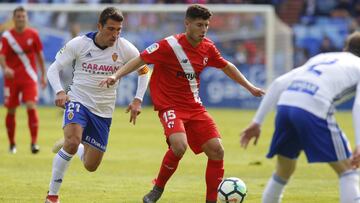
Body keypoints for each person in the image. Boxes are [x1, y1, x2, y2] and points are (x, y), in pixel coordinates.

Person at [100, 4, 265, 203]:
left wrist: (250, 87)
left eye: (206, 25)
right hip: (169, 106)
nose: (203, 30)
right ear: (187, 24)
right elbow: (140, 60)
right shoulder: (168, 45)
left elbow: (227, 66)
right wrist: (116, 75)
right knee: (179, 146)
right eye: (199, 25)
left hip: (195, 107)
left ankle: (211, 200)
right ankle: (157, 189)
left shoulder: (208, 47)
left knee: (217, 150)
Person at [240, 32, 360, 203]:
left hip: (286, 105)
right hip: (312, 108)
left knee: (284, 170)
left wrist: (257, 121)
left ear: (345, 48)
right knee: (349, 169)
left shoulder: (324, 57)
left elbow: (279, 83)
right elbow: (359, 105)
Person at [45, 7, 149, 203]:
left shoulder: (125, 48)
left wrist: (138, 99)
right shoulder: (79, 44)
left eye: (119, 30)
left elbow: (144, 70)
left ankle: (76, 146)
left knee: (91, 166)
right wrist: (59, 91)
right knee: (73, 142)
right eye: (111, 29)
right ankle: (52, 196)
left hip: (103, 111)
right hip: (78, 101)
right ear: (99, 26)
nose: (115, 35)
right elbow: (54, 68)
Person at [0, 6, 47, 154]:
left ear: (26, 18)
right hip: (12, 78)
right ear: (14, 19)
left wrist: (43, 75)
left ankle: (34, 143)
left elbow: (40, 56)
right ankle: (12, 144)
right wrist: (5, 68)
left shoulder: (33, 34)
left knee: (31, 106)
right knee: (11, 110)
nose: (21, 19)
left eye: (23, 16)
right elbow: (2, 55)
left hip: (29, 77)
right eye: (18, 16)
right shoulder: (7, 36)